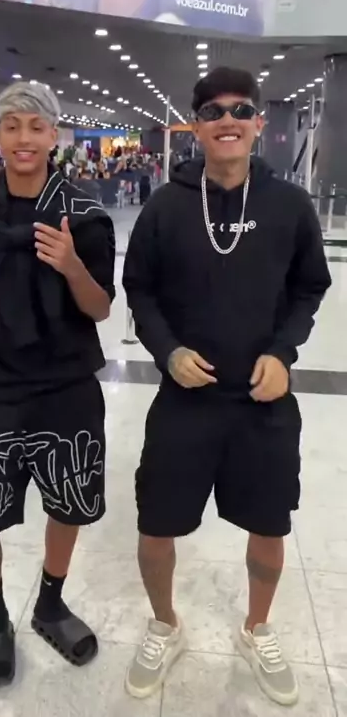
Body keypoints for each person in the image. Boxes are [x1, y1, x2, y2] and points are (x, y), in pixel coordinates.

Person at [122, 67, 331, 706]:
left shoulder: (289, 206)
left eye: (241, 109)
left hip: (263, 403)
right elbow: (140, 290)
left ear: (259, 123)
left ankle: (257, 629)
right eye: (213, 111)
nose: (228, 120)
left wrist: (283, 354)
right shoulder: (166, 205)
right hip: (185, 400)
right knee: (156, 523)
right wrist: (167, 350)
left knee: (269, 524)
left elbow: (310, 287)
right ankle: (165, 624)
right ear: (196, 126)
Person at [0, 81, 115, 689]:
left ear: (54, 136)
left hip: (67, 380)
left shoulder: (85, 214)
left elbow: (100, 308)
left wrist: (70, 264)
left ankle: (50, 602)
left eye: (36, 127)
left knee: (69, 500)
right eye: (12, 125)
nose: (24, 138)